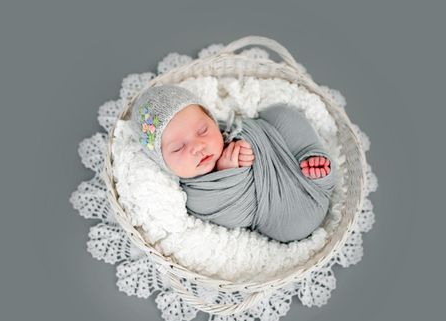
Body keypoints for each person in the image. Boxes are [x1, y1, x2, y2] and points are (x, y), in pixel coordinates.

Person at [130, 84, 336, 243]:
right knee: (294, 225)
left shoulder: (229, 131)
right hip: (285, 214)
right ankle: (317, 174)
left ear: (212, 120)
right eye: (178, 148)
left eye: (203, 131)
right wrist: (229, 172)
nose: (197, 146)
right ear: (163, 162)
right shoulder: (195, 194)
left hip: (282, 149)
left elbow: (251, 129)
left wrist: (248, 140)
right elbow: (240, 217)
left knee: (279, 114)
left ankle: (310, 159)